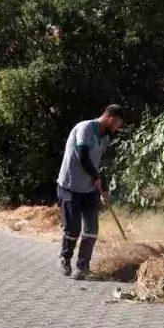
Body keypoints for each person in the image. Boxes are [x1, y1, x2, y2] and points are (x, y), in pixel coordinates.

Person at [56, 105, 125, 280]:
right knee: (73, 229)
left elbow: (99, 164)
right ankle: (65, 258)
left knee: (91, 229)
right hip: (70, 186)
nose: (117, 128)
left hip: (89, 190)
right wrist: (95, 176)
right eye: (118, 124)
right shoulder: (85, 128)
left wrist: (105, 190)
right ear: (111, 119)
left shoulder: (105, 137)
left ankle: (82, 267)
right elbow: (82, 156)